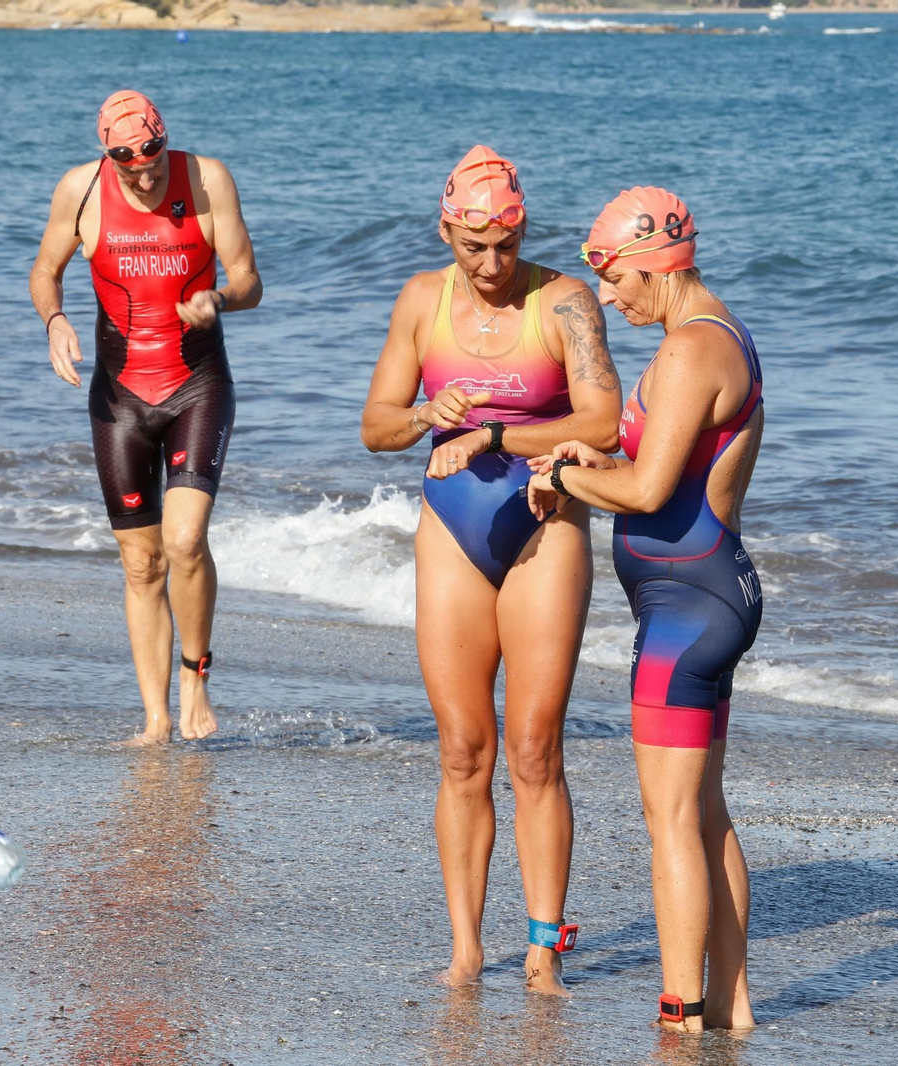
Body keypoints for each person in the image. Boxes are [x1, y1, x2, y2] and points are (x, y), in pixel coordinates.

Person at [361, 147, 621, 994]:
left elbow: (606, 420)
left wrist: (496, 434)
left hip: (546, 527)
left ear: (521, 232)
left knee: (536, 749)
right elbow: (376, 426)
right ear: (447, 232)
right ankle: (467, 950)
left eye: (504, 246)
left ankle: (544, 951)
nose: (490, 265)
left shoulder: (565, 301)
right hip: (452, 531)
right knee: (465, 750)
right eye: (473, 247)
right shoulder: (419, 301)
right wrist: (423, 418)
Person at [527, 187, 763, 1030]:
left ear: (656, 262)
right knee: (701, 814)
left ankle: (679, 1015)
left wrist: (561, 479)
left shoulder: (695, 352)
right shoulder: (703, 336)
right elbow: (659, 462)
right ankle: (730, 1008)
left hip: (685, 612)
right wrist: (589, 449)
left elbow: (650, 489)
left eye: (617, 278)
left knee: (669, 820)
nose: (611, 296)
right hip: (705, 594)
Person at [30, 90, 261, 745]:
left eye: (154, 152)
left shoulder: (205, 178)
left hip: (197, 384)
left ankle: (196, 678)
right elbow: (44, 270)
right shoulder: (79, 191)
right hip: (120, 396)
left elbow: (249, 279)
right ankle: (155, 720)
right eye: (128, 159)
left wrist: (218, 297)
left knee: (184, 540)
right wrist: (54, 322)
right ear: (109, 154)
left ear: (165, 139)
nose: (146, 169)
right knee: (141, 565)